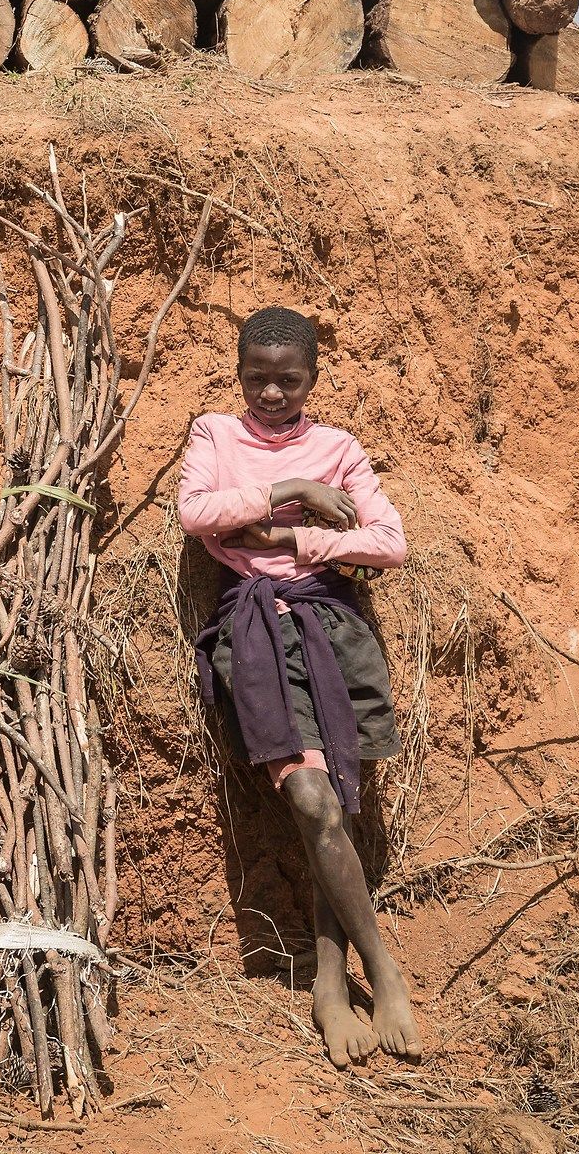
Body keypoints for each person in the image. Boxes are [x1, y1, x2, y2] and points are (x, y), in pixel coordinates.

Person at [175, 305, 421, 1067]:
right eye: (258, 378)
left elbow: (388, 543)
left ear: (313, 378)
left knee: (336, 803)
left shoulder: (339, 446)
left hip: (332, 630)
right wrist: (295, 485)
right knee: (312, 799)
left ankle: (325, 977)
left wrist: (286, 533)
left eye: (289, 381)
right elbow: (197, 513)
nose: (272, 394)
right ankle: (380, 967)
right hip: (252, 634)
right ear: (238, 373)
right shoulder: (216, 433)